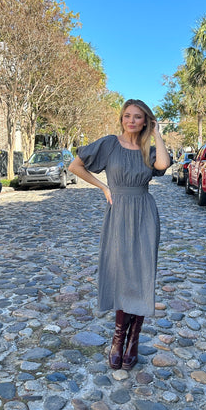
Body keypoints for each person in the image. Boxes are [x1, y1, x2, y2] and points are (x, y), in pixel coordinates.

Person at [68, 99, 171, 370]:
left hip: (145, 214)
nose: (131, 121)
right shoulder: (109, 144)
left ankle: (133, 341)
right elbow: (75, 166)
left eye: (138, 117)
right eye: (127, 116)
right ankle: (117, 340)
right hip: (118, 214)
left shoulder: (147, 149)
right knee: (122, 275)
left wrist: (157, 133)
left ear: (145, 120)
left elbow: (164, 164)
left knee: (141, 275)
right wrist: (103, 187)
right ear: (121, 118)